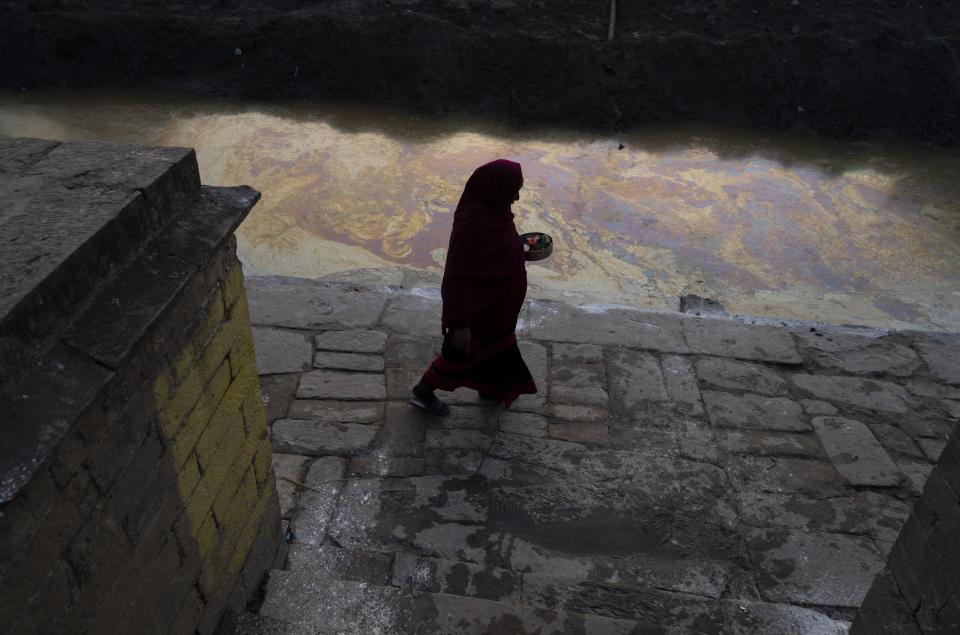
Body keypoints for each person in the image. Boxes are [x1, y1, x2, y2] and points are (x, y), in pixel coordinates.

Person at [409, 159, 538, 415]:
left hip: (497, 315)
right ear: (497, 189)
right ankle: (423, 393)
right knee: (457, 356)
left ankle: (490, 388)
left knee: (499, 349)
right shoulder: (474, 227)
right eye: (514, 190)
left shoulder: (494, 213)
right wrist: (459, 325)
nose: (517, 197)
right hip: (477, 316)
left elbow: (496, 255)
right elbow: (457, 278)